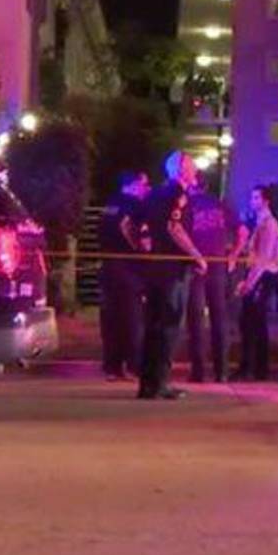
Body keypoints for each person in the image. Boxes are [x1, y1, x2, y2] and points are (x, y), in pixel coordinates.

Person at [137, 150, 207, 400]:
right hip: (173, 271)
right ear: (180, 170)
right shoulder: (178, 194)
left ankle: (147, 384)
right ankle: (162, 382)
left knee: (152, 327)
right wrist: (197, 255)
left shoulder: (153, 194)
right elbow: (174, 227)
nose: (195, 170)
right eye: (191, 166)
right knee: (169, 326)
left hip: (154, 269)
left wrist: (147, 251)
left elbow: (138, 227)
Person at [184, 181, 242, 383]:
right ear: (207, 186)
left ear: (191, 186)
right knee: (219, 318)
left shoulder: (187, 204)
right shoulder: (220, 204)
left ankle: (198, 372)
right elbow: (242, 231)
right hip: (218, 265)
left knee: (196, 320)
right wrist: (233, 255)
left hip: (197, 266)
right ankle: (221, 371)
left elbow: (181, 234)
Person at [98, 170, 150, 381]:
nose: (147, 188)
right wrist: (139, 247)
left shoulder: (110, 204)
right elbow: (127, 226)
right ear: (133, 184)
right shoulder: (135, 205)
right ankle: (133, 366)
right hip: (128, 268)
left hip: (108, 266)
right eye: (144, 184)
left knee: (110, 319)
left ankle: (112, 367)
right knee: (132, 319)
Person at [235, 184, 278, 381]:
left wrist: (249, 283)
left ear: (265, 201)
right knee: (251, 321)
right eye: (252, 197)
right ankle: (253, 367)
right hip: (258, 274)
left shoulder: (269, 224)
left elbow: (263, 259)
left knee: (253, 321)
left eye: (256, 198)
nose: (252, 201)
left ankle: (254, 367)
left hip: (263, 275)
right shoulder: (259, 222)